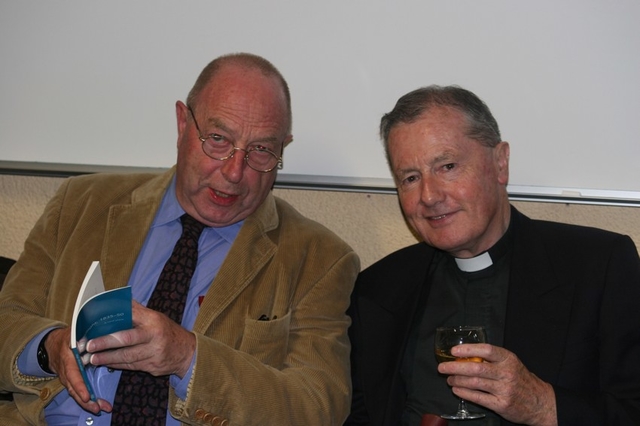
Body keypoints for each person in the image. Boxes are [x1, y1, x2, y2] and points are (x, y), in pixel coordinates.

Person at [0, 52, 360, 425]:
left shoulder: (318, 259)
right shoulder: (80, 204)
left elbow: (318, 406)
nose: (235, 172)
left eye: (261, 151)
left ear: (282, 148)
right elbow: (6, 321)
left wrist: (188, 358)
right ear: (182, 123)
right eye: (218, 140)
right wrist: (49, 347)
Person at [345, 85, 640, 425]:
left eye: (448, 166)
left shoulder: (597, 267)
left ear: (500, 163)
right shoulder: (378, 288)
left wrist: (543, 405)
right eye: (410, 178)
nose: (428, 196)